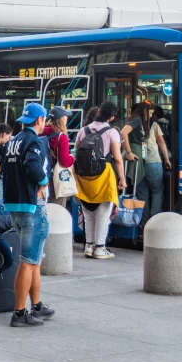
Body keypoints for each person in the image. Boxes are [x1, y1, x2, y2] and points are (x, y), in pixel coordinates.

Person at [2, 103, 54, 327]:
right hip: (32, 207)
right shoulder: (34, 141)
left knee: (34, 261)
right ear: (40, 120)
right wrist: (44, 181)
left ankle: (37, 305)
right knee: (28, 261)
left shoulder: (13, 140)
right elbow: (33, 166)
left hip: (14, 205)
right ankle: (19, 313)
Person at [75, 101, 126, 259]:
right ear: (111, 117)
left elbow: (77, 150)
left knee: (88, 213)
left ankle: (89, 246)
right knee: (103, 213)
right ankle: (100, 247)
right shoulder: (112, 132)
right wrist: (122, 179)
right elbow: (117, 158)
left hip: (84, 177)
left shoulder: (83, 130)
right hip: (104, 175)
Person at [40, 106, 75, 208]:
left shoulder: (41, 132)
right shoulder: (61, 137)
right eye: (66, 116)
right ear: (62, 119)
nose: (67, 118)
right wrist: (72, 157)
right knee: (56, 208)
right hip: (54, 178)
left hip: (40, 175)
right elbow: (64, 161)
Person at [143, 107, 172, 224]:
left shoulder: (133, 124)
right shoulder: (154, 125)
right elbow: (161, 142)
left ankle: (143, 222)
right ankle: (154, 222)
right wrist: (166, 160)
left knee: (143, 194)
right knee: (157, 192)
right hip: (153, 162)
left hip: (138, 163)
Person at [120, 101, 153, 203]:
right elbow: (123, 133)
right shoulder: (137, 120)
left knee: (139, 186)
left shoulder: (139, 121)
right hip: (133, 152)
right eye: (150, 113)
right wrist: (129, 152)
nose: (151, 116)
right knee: (139, 186)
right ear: (145, 111)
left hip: (136, 152)